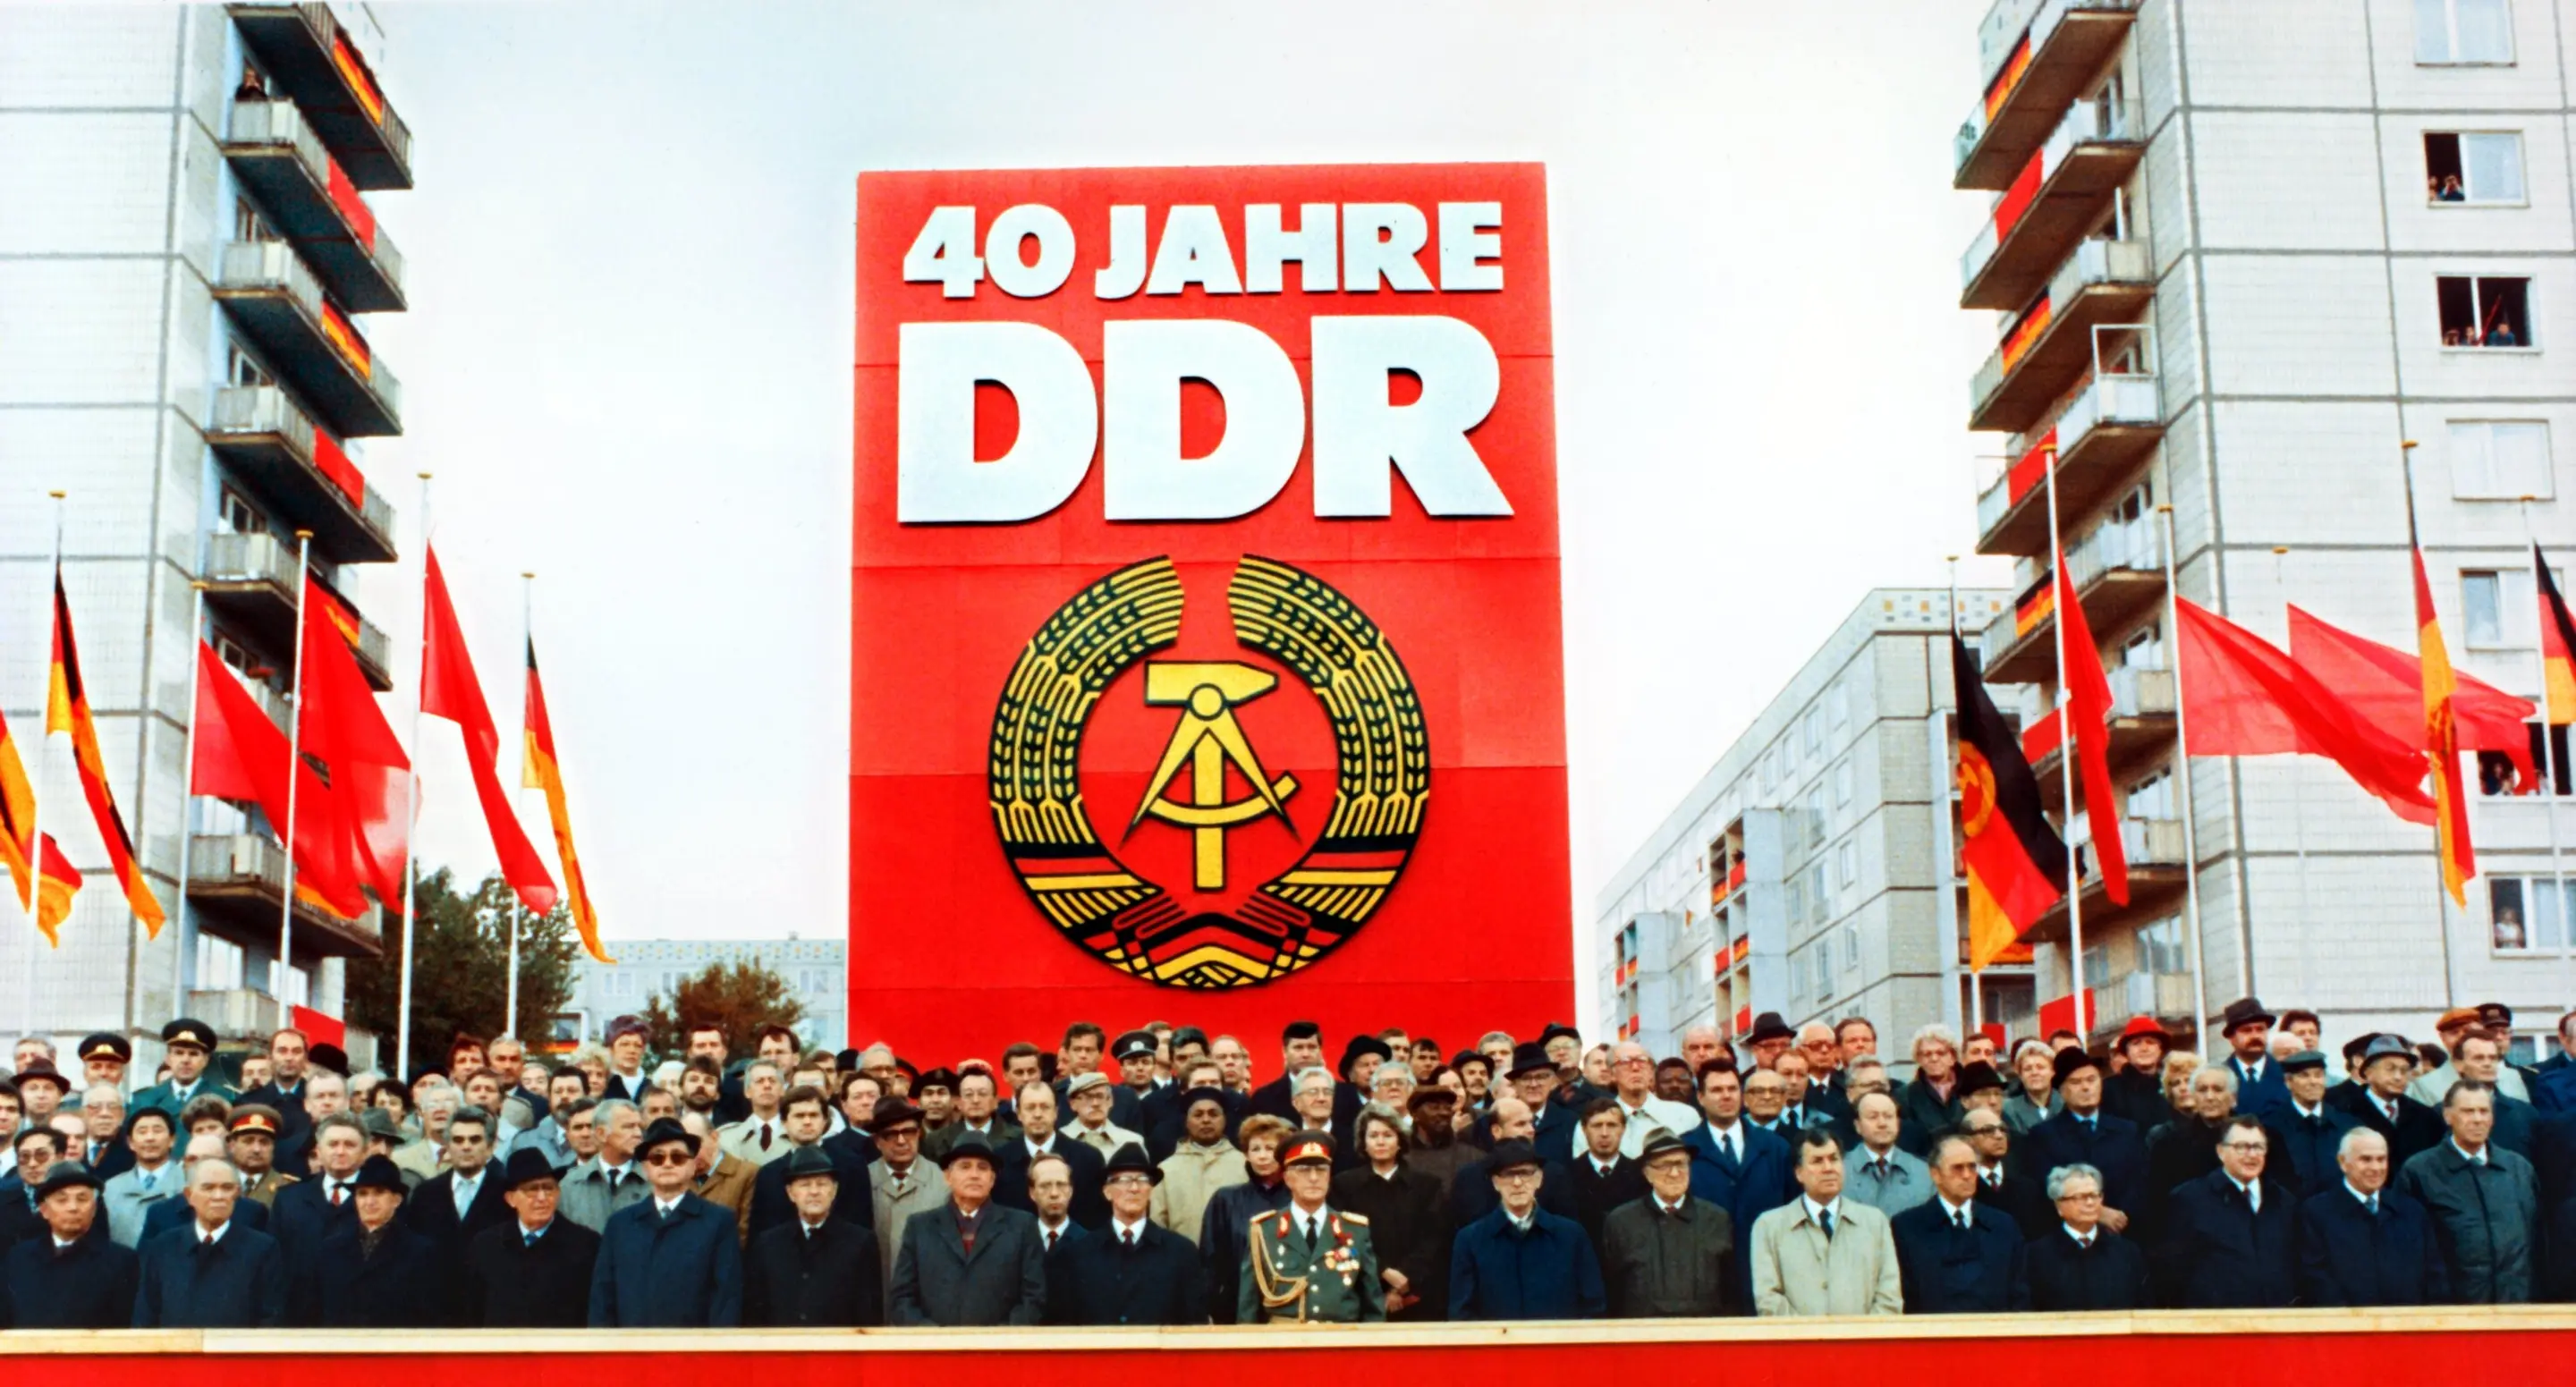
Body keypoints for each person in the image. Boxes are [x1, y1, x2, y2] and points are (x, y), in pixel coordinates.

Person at [589, 1117, 741, 1327]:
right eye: (657, 1158)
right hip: (631, 1345)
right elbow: (602, 1297)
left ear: (692, 1165)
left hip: (694, 1345)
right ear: (645, 1168)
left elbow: (726, 1297)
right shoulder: (620, 1224)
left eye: (678, 1157)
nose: (667, 1163)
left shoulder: (718, 1221)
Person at [2398, 1079, 2538, 1303]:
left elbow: (2536, 1239)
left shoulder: (2518, 1168)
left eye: (2483, 1111)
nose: (2477, 1119)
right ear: (2447, 1116)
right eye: (2467, 1111)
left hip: (2515, 1304)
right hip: (2452, 1308)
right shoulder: (2419, 1171)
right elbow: (2408, 1250)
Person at [888, 1132, 1046, 1326]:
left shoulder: (1022, 1225)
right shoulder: (920, 1227)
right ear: (948, 1177)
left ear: (992, 1179)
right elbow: (901, 1299)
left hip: (1001, 1343)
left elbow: (1034, 1298)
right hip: (934, 1343)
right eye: (965, 1167)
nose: (974, 1175)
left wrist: (999, 1337)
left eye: (983, 1168)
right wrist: (933, 1335)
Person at [1748, 1129, 1902, 1316]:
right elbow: (1768, 1299)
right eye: (1817, 1161)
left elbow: (1889, 1296)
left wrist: (1862, 1333)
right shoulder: (1769, 1226)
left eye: (1834, 1159)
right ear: (1799, 1173)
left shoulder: (1874, 1222)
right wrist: (1810, 1334)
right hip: (1796, 1335)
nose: (1828, 1168)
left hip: (1867, 1335)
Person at [1445, 1138, 1604, 1320]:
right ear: (1495, 1182)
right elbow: (1461, 1312)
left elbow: (1594, 1306)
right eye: (1508, 1174)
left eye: (1526, 1173)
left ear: (1539, 1179)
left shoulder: (1571, 1235)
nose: (1517, 1183)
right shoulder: (1470, 1240)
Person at [1046, 1143, 1204, 1324]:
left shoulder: (1181, 1253)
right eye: (1124, 1180)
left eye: (1142, 1180)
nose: (1134, 1188)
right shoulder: (1077, 1255)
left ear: (1151, 1190)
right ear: (1107, 1192)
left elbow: (1194, 1324)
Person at [1239, 1130, 1383, 1324]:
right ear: (1287, 1178)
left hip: (1341, 1338)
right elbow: (1248, 1306)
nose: (1314, 1178)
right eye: (1304, 1170)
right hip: (1284, 1339)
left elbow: (1373, 1305)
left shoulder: (1355, 1229)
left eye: (1321, 1170)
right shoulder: (1264, 1230)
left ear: (1329, 1176)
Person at [2156, 1114, 2297, 1308]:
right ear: (2221, 1152)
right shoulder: (2190, 1199)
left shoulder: (2284, 1201)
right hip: (2215, 1320)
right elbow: (2173, 1271)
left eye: (2258, 1147)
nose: (2251, 1155)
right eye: (2241, 1147)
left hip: (2276, 1318)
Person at [2296, 1127, 2445, 1306]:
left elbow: (2434, 1275)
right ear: (2343, 1162)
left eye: (2381, 1159)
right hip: (2346, 1321)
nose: (2376, 1168)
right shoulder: (2317, 1213)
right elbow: (2317, 1279)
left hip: (2407, 1320)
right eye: (2366, 1159)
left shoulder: (2412, 1211)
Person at [132, 1158, 286, 1328]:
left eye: (227, 1188)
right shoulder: (163, 1247)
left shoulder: (261, 1249)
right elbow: (145, 1316)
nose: (218, 1196)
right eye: (208, 1188)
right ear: (189, 1195)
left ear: (237, 1194)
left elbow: (270, 1317)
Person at [1597, 1129, 1733, 1317]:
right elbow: (1611, 1288)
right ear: (1647, 1173)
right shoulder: (1621, 1221)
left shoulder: (1716, 1218)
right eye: (1664, 1166)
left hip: (1703, 1329)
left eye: (1681, 1164)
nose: (1675, 1173)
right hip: (1641, 1330)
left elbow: (1730, 1289)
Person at [743, 1144, 882, 1326]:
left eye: (822, 1184)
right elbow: (754, 1313)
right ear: (791, 1193)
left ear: (834, 1190)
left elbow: (869, 1313)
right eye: (805, 1185)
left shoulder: (861, 1242)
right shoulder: (768, 1244)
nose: (814, 1192)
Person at [1331, 1104, 1447, 1320]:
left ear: (1400, 1141)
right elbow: (1344, 1238)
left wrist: (1403, 1283)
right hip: (1362, 1296)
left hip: (1418, 1297)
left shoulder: (1427, 1185)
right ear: (1363, 1143)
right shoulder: (1344, 1185)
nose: (1381, 1141)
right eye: (1373, 1136)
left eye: (1388, 1135)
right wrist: (1383, 1272)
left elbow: (1433, 1239)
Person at [1888, 1133, 2027, 1313]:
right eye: (1957, 1168)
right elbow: (1906, 1294)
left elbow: (2019, 1291)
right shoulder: (1907, 1227)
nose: (1967, 1175)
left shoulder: (2003, 1225)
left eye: (1972, 1167)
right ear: (1936, 1174)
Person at [462, 1146, 599, 1327]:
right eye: (532, 1190)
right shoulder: (486, 1245)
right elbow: (474, 1310)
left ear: (558, 1193)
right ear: (511, 1199)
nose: (542, 1198)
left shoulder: (585, 1245)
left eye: (548, 1188)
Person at [2021, 1047, 2148, 1235]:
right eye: (2076, 1082)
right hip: (2068, 1236)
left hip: (2125, 1232)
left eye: (2091, 1080)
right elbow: (2046, 1187)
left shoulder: (2127, 1130)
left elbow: (2141, 1182)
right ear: (2062, 1091)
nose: (2086, 1087)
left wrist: (2121, 1216)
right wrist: (2098, 1212)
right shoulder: (2043, 1136)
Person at [309, 1154, 442, 1327]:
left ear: (396, 1200)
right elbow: (315, 1310)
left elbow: (428, 1317)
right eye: (362, 1194)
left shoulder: (421, 1251)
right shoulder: (330, 1249)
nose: (369, 1202)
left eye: (379, 1192)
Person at [2, 1162, 138, 1327]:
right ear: (44, 1210)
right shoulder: (19, 1258)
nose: (73, 1208)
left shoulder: (121, 1261)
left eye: (82, 1199)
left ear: (94, 1209)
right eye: (62, 1200)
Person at [403, 1103, 510, 1290]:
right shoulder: (425, 1194)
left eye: (474, 1140)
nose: (466, 1147)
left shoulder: (507, 1194)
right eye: (458, 1140)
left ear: (490, 1147)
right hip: (437, 1298)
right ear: (447, 1146)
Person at [746, 1085, 874, 1239]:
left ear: (825, 1121)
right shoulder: (768, 1173)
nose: (807, 1122)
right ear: (784, 1122)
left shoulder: (852, 1165)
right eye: (799, 1116)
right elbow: (761, 1233)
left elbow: (862, 1226)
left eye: (813, 1115)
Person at [1200, 1114, 1292, 1323]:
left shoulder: (1297, 1198)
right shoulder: (1226, 1199)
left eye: (1270, 1148)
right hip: (1236, 1305)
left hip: (1288, 1305)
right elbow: (1210, 1259)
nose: (1262, 1156)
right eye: (1255, 1149)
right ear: (1246, 1155)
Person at [2023, 1163, 2148, 1310]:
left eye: (2094, 1196)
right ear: (2059, 1206)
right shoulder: (2036, 1255)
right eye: (2080, 1197)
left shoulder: (2127, 1252)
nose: (2090, 1203)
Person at [995, 1080, 1108, 1229]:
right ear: (1019, 1113)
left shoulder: (1088, 1159)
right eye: (1030, 1108)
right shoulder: (1000, 1161)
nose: (1037, 1114)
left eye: (1045, 1107)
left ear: (1056, 1112)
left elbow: (1097, 1219)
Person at [867, 1096, 942, 1307]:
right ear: (877, 1141)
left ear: (919, 1134)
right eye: (891, 1134)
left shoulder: (943, 1182)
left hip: (926, 1299)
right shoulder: (862, 1179)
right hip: (874, 1296)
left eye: (908, 1132)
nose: (901, 1141)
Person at [2334, 1034, 2448, 1167]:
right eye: (2390, 1069)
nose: (2398, 1077)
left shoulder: (2425, 1116)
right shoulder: (2343, 1111)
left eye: (2404, 1071)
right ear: (2368, 1073)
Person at [1152, 1086, 1244, 1246]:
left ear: (1224, 1120)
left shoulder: (1244, 1164)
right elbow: (1157, 1223)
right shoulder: (1166, 1169)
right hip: (1181, 1257)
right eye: (1198, 1115)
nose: (1206, 1120)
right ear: (1187, 1121)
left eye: (1213, 1114)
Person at [1563, 1097, 1647, 1256]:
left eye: (1612, 1125)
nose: (1604, 1133)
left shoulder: (1640, 1175)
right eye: (1597, 1126)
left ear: (1623, 1129)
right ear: (1584, 1129)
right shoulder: (1567, 1175)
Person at [2274, 1049, 2358, 1194]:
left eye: (2318, 1075)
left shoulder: (2347, 1125)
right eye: (2304, 1075)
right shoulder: (2272, 1127)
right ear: (2288, 1082)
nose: (2313, 1082)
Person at [1958, 1107, 2050, 1239]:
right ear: (1967, 1140)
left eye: (2002, 1129)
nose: (1999, 1136)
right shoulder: (1960, 1189)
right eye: (1988, 1130)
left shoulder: (2028, 1186)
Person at [560, 1097, 647, 1232]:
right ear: (601, 1134)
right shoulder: (570, 1185)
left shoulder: (655, 1181)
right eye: (628, 1127)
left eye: (640, 1127)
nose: (638, 1134)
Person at [1843, 1091, 1931, 1217]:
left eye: (1889, 1116)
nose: (1882, 1123)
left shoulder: (1924, 1171)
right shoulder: (1840, 1169)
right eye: (1873, 1117)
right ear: (1858, 1126)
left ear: (1898, 1123)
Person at [99, 1106, 178, 1246]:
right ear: (130, 1143)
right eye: (142, 1132)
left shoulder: (188, 1182)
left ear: (172, 1140)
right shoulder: (112, 1188)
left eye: (157, 1131)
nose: (150, 1138)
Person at [128, 1019, 237, 1121]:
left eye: (193, 1054)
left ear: (205, 1060)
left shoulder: (226, 1098)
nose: (185, 1060)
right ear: (168, 1058)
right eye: (179, 1053)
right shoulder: (144, 1099)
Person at [1605, 1042, 1699, 1154]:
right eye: (1625, 1062)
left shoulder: (1685, 1115)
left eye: (1641, 1061)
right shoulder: (1600, 1121)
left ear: (1651, 1071)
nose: (1635, 1067)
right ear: (1611, 1074)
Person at [2215, 998, 2291, 1120]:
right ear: (2231, 1038)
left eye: (2260, 1029)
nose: (2255, 1036)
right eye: (2246, 1030)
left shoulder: (2288, 1075)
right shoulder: (2218, 1078)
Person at [1896, 1024, 1962, 1154]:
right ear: (1919, 1059)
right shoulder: (1905, 1096)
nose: (1934, 1059)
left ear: (1953, 1057)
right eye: (1927, 1054)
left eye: (1941, 1053)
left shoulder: (1970, 1090)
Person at [2101, 1016, 2171, 1128]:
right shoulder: (2108, 1089)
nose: (2144, 1048)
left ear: (2160, 1050)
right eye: (2136, 1043)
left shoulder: (2171, 1086)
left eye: (2150, 1042)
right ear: (2127, 1052)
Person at [2003, 1040, 2059, 1135]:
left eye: (2040, 1067)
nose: (2034, 1073)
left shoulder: (2067, 1105)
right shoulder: (2008, 1110)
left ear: (2053, 1071)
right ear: (2020, 1074)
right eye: (2028, 1069)